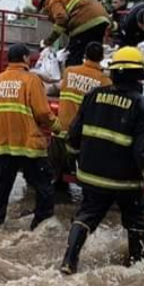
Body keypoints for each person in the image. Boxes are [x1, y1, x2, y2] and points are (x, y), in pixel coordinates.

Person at [60, 47, 144, 275]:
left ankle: (69, 261)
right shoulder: (142, 106)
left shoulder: (93, 96)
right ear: (140, 75)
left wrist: (71, 157)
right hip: (125, 182)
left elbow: (74, 134)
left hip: (91, 176)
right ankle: (137, 267)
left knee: (86, 216)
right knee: (135, 220)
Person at [0, 44, 61, 231]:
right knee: (44, 185)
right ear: (26, 58)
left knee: (1, 185)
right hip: (28, 144)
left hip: (2, 142)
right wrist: (57, 127)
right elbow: (43, 112)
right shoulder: (31, 80)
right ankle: (41, 226)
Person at [49, 42, 111, 187]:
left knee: (51, 176)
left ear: (85, 55)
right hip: (81, 136)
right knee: (87, 177)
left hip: (60, 131)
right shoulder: (105, 81)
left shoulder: (69, 72)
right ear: (102, 57)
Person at [31, 0, 112, 67]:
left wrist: (48, 41)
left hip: (85, 22)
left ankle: (72, 79)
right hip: (102, 20)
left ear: (42, 3)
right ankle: (95, 77)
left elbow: (62, 19)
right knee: (94, 55)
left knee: (73, 58)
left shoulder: (52, 1)